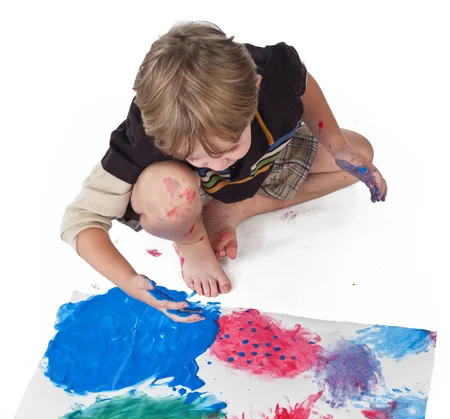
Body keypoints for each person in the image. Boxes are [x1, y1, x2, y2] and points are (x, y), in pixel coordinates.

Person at [61, 21, 387, 323]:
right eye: (194, 156)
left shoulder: (274, 73)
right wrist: (128, 280)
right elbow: (81, 222)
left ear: (256, 90)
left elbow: (301, 81)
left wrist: (336, 144)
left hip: (261, 166)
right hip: (186, 196)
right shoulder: (144, 136)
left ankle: (235, 208)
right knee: (172, 189)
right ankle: (193, 239)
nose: (217, 164)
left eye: (228, 147)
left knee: (360, 156)